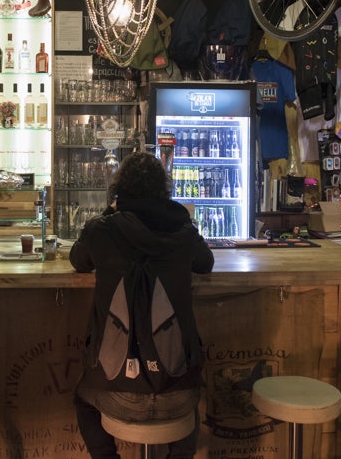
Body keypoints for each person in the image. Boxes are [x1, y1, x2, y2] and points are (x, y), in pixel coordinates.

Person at [70, 151, 214, 458]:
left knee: (83, 399)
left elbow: (78, 261)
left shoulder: (102, 230)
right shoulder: (183, 230)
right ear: (163, 189)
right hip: (177, 388)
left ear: (119, 190)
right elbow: (206, 263)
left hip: (116, 391)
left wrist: (110, 213)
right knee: (188, 407)